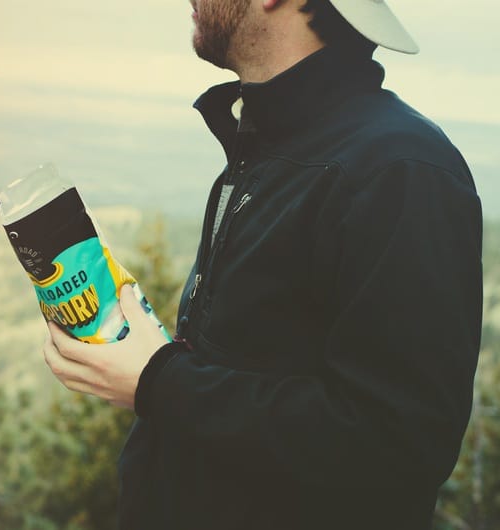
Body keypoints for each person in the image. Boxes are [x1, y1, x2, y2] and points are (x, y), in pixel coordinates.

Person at [41, 0, 483, 528]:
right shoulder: (271, 144)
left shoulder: (401, 169)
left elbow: (396, 445)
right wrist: (146, 358)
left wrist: (157, 380)